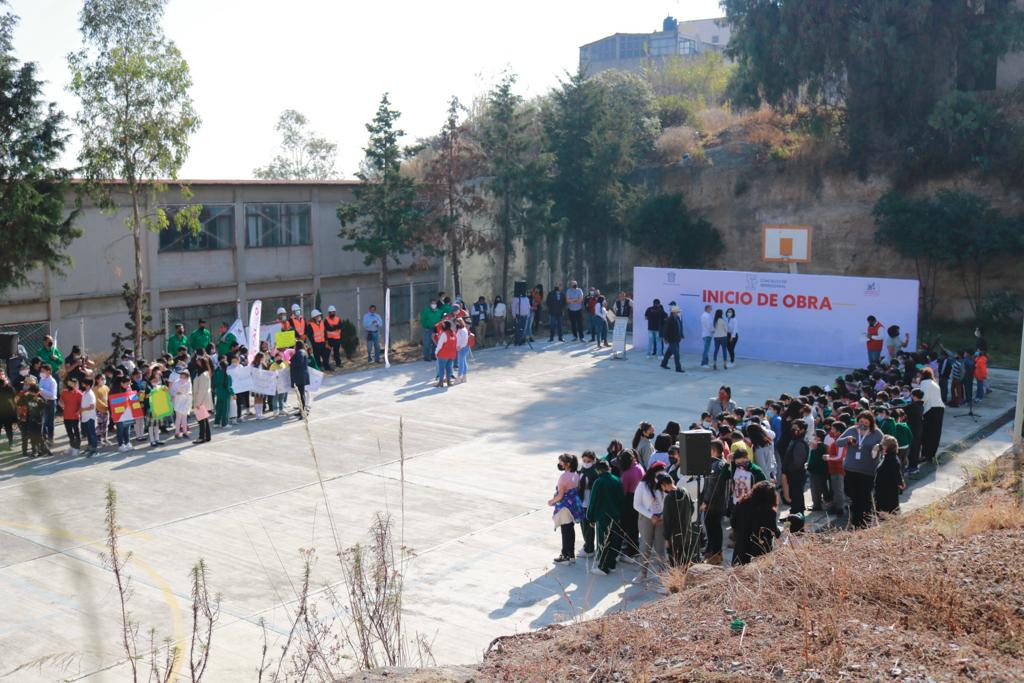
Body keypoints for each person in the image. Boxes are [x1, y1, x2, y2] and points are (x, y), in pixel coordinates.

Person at [839, 411, 883, 528]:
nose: (863, 424)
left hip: (867, 472)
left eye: (866, 422)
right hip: (850, 470)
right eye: (860, 421)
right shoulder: (852, 430)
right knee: (852, 497)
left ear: (871, 422)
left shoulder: (877, 433)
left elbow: (884, 446)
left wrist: (878, 447)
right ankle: (854, 522)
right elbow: (838, 442)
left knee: (864, 498)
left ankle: (864, 522)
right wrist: (847, 439)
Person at [586, 460, 624, 576]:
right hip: (616, 516)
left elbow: (593, 501)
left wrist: (590, 518)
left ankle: (603, 567)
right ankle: (611, 565)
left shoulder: (599, 482)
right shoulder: (617, 480)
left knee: (603, 541)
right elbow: (622, 500)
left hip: (603, 516)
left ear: (598, 470)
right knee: (613, 540)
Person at [731, 481, 781, 565]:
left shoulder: (741, 503)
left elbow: (733, 522)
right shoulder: (770, 512)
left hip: (741, 548)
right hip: (759, 552)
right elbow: (774, 532)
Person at [634, 466, 668, 581]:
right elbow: (637, 505)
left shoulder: (664, 484)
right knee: (645, 546)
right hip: (646, 519)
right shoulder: (642, 485)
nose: (661, 477)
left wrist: (663, 515)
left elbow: (668, 501)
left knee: (660, 547)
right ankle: (642, 572)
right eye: (659, 474)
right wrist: (650, 516)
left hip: (661, 519)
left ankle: (662, 574)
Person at [549, 453, 584, 564]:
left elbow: (560, 495)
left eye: (561, 462)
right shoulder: (576, 475)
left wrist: (551, 502)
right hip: (573, 506)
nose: (559, 464)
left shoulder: (564, 477)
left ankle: (565, 556)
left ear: (567, 464)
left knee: (565, 531)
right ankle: (571, 555)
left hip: (564, 507)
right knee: (570, 530)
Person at [701, 440, 729, 564]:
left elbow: (712, 486)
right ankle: (712, 551)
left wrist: (705, 501)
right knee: (714, 527)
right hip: (718, 503)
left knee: (714, 529)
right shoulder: (720, 464)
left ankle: (716, 554)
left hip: (713, 504)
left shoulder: (716, 466)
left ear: (713, 451)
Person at [618, 450, 644, 561]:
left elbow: (622, 492)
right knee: (633, 527)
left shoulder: (627, 474)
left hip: (629, 500)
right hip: (639, 499)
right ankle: (633, 551)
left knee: (623, 527)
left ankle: (626, 553)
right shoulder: (639, 467)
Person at [781, 420, 808, 513]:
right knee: (796, 495)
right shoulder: (795, 441)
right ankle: (796, 512)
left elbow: (797, 463)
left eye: (796, 429)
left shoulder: (800, 444)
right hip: (793, 474)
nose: (793, 430)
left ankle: (796, 514)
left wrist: (787, 471)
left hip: (796, 474)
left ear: (802, 430)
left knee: (796, 495)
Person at [874, 435, 905, 514]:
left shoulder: (892, 460)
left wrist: (900, 483)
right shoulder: (888, 457)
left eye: (882, 444)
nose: (881, 446)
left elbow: (897, 474)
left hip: (887, 495)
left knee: (886, 516)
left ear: (886, 446)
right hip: (882, 492)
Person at [919, 367, 945, 463]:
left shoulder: (924, 383)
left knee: (927, 433)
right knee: (935, 433)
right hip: (939, 408)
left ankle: (925, 454)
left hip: (930, 409)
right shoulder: (934, 383)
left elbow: (923, 398)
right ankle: (931, 454)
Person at [577, 450, 599, 558]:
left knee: (589, 527)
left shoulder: (595, 472)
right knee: (583, 525)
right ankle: (587, 544)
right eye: (584, 460)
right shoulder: (582, 469)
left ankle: (589, 549)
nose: (586, 463)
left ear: (593, 460)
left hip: (590, 502)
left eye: (588, 461)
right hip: (582, 502)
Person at [824, 421, 847, 515]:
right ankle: (837, 507)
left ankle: (840, 509)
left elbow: (840, 457)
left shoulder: (840, 441)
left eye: (833, 429)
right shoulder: (837, 440)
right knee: (836, 489)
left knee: (838, 490)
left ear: (838, 431)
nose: (831, 430)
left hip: (838, 469)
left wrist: (828, 457)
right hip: (834, 469)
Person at [192, 357, 214, 444]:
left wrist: (197, 403)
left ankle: (202, 437)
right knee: (204, 419)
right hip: (202, 400)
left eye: (199, 361)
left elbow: (202, 390)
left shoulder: (203, 374)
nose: (197, 362)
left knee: (201, 420)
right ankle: (207, 436)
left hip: (201, 400)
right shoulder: (201, 373)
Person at [59, 377, 83, 457]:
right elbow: (60, 401)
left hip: (75, 417)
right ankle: (72, 446)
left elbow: (81, 405)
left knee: (76, 433)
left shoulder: (79, 393)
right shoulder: (64, 392)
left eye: (75, 383)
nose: (74, 385)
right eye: (71, 383)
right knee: (69, 433)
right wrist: (62, 405)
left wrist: (78, 411)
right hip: (66, 416)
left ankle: (77, 448)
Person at [807, 428, 829, 512]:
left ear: (819, 438)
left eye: (814, 435)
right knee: (821, 488)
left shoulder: (818, 446)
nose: (812, 436)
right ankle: (819, 504)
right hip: (821, 472)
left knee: (815, 489)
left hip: (817, 472)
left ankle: (816, 506)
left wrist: (809, 467)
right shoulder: (822, 446)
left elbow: (815, 460)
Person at [659, 306, 684, 373]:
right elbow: (666, 330)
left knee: (668, 353)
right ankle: (678, 368)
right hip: (672, 339)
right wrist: (665, 338)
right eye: (678, 312)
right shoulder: (669, 319)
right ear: (674, 312)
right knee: (676, 354)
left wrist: (681, 335)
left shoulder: (678, 318)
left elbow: (680, 327)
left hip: (676, 339)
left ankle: (663, 364)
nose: (679, 313)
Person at [38, 364, 58, 444]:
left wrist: (41, 390)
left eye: (43, 371)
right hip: (43, 401)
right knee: (44, 421)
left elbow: (52, 394)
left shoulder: (52, 381)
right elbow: (39, 391)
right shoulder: (41, 379)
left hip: (51, 402)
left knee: (50, 421)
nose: (41, 373)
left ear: (48, 372)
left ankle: (50, 438)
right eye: (41, 371)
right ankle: (44, 437)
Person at [434, 320, 457, 388]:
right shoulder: (453, 333)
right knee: (449, 368)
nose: (442, 326)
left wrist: (436, 352)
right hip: (451, 354)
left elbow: (439, 345)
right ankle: (449, 382)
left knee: (441, 369)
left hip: (443, 354)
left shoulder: (444, 334)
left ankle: (441, 382)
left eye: (443, 325)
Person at [172, 363, 192, 439]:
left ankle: (185, 432)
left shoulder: (188, 383)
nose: (182, 378)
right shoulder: (176, 382)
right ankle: (177, 433)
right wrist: (176, 393)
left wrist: (189, 394)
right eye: (181, 376)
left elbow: (190, 391)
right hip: (178, 402)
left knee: (184, 418)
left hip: (186, 402)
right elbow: (172, 391)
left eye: (184, 377)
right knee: (178, 418)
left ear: (187, 377)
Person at [290, 340, 310, 415]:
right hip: (301, 376)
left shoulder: (300, 352)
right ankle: (302, 409)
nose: (294, 346)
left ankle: (303, 411)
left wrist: (291, 362)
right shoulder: (303, 351)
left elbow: (299, 363)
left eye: (295, 345)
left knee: (301, 394)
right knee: (301, 394)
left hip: (299, 376)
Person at [213, 359, 234, 428]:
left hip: (218, 392)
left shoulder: (217, 373)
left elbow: (214, 382)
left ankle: (216, 422)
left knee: (218, 408)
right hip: (225, 393)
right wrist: (233, 393)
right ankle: (224, 423)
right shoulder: (228, 375)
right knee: (225, 409)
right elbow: (229, 386)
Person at [94, 374, 110, 447]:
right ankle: (99, 440)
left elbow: (110, 397)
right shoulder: (95, 389)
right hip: (99, 410)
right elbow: (97, 401)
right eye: (102, 379)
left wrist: (109, 406)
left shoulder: (106, 388)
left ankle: (105, 439)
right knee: (99, 426)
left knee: (106, 425)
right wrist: (106, 406)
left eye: (104, 378)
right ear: (97, 380)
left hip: (106, 410)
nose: (104, 380)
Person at [455, 317, 470, 383]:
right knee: (463, 362)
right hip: (462, 347)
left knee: (461, 363)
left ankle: (459, 377)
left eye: (457, 322)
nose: (456, 324)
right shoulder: (461, 329)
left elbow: (464, 340)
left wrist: (460, 347)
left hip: (462, 348)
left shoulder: (462, 330)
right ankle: (464, 377)